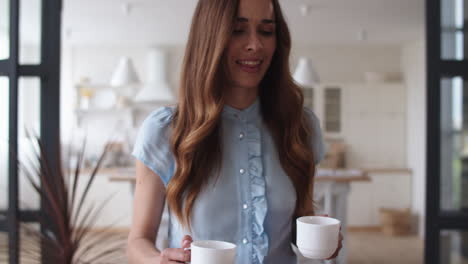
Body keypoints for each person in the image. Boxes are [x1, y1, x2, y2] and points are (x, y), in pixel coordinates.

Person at [126, 0, 343, 263]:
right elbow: (138, 242)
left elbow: (300, 222)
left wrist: (319, 238)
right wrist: (158, 260)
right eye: (237, 30)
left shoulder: (300, 127)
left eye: (266, 31)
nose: (255, 45)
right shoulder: (165, 130)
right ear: (210, 37)